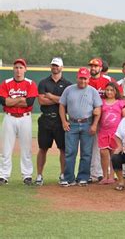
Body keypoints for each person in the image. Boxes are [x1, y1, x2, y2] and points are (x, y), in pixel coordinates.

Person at [59, 67, 102, 187]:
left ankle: (83, 177)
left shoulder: (93, 91)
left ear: (88, 79)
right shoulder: (69, 90)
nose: (83, 81)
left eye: (85, 78)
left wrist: (94, 124)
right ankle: (68, 178)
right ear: (77, 77)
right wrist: (64, 121)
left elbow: (98, 108)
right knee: (70, 152)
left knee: (86, 152)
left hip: (87, 123)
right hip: (71, 124)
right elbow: (62, 105)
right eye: (81, 78)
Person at [0, 59, 38, 186]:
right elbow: (4, 102)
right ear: (13, 69)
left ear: (25, 69)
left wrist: (12, 100)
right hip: (9, 118)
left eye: (21, 67)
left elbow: (29, 102)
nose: (18, 70)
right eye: (16, 67)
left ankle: (27, 176)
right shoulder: (6, 83)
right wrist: (20, 99)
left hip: (25, 118)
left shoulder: (30, 84)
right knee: (5, 149)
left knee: (26, 148)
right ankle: (3, 176)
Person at [35, 57, 72, 185]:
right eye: (53, 65)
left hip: (60, 120)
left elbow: (67, 102)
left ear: (62, 67)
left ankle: (63, 175)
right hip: (45, 119)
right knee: (43, 148)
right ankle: (39, 175)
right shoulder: (43, 82)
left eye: (57, 65)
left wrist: (50, 96)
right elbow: (41, 100)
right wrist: (59, 99)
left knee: (63, 149)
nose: (55, 67)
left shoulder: (68, 85)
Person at [88, 57, 117, 182]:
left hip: (106, 119)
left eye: (96, 66)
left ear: (101, 68)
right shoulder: (86, 81)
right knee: (92, 148)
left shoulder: (108, 80)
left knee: (109, 147)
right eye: (92, 66)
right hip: (90, 118)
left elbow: (118, 95)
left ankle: (109, 173)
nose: (93, 68)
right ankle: (94, 173)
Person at [98, 83, 125, 184]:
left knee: (113, 154)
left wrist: (123, 132)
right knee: (103, 152)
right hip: (103, 131)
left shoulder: (120, 103)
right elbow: (98, 115)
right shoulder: (101, 102)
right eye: (107, 90)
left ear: (115, 91)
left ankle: (111, 176)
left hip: (115, 133)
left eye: (111, 90)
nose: (109, 92)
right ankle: (104, 175)